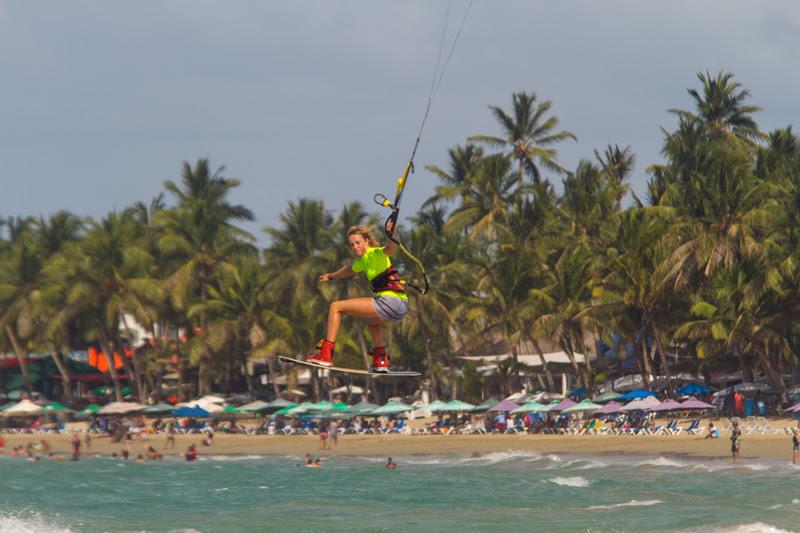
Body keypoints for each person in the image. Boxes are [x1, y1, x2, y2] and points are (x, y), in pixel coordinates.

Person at [306, 223, 409, 373]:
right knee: (372, 323)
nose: (354, 246)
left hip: (389, 302)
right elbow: (349, 270)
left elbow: (390, 249)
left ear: (367, 241)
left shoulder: (376, 253)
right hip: (401, 307)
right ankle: (381, 360)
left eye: (358, 242)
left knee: (336, 306)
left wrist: (392, 234)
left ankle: (326, 355)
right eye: (352, 244)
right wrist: (331, 276)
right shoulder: (363, 262)